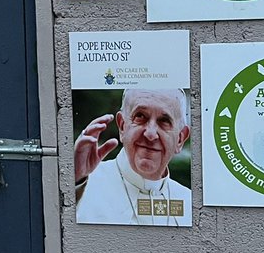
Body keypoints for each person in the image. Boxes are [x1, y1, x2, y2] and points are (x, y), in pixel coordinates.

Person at [74, 88, 190, 226]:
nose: (151, 134)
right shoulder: (82, 183)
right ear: (122, 126)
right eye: (140, 116)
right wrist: (74, 180)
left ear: (180, 139)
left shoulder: (189, 202)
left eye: (164, 121)